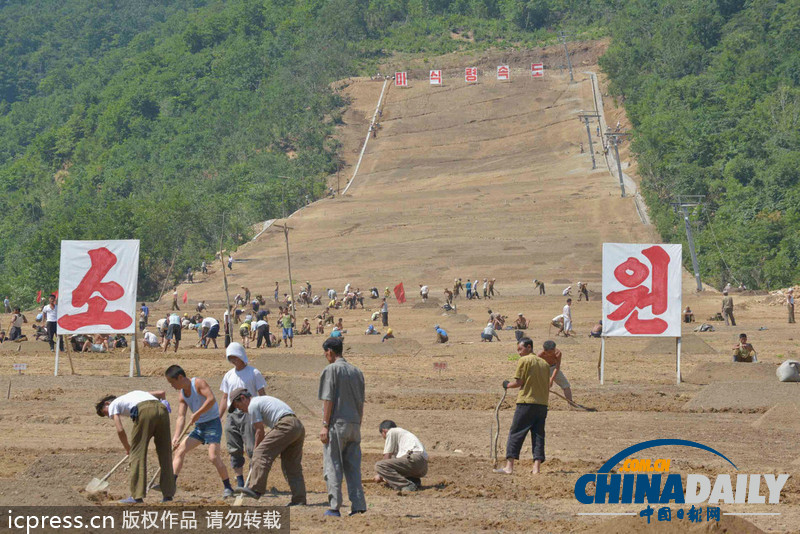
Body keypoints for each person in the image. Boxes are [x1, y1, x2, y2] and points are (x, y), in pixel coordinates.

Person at [164, 365, 233, 498]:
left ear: (180, 377)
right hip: (199, 427)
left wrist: (197, 413)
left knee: (213, 457)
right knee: (179, 451)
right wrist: (176, 437)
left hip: (213, 424)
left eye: (172, 382)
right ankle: (170, 487)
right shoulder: (182, 394)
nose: (172, 386)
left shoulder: (198, 383)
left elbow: (211, 399)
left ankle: (228, 487)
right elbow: (181, 416)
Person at [95, 390, 175, 503]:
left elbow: (120, 430)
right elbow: (161, 392)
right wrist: (163, 403)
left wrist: (128, 448)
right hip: (162, 410)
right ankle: (168, 495)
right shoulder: (135, 394)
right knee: (165, 453)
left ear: (107, 403)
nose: (109, 416)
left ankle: (136, 496)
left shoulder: (114, 404)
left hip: (144, 411)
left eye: (106, 412)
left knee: (137, 455)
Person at [229, 389, 307, 505]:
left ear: (243, 398)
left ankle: (256, 488)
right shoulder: (261, 401)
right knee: (291, 464)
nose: (239, 409)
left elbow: (259, 431)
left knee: (260, 453)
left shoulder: (252, 405)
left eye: (237, 405)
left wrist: (256, 452)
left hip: (286, 424)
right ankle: (299, 499)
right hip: (297, 426)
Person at [318, 337, 366, 517]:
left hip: (337, 424)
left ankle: (334, 506)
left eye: (325, 353)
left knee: (333, 465)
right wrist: (358, 422)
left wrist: (325, 425)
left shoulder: (331, 370)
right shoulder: (357, 371)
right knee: (353, 468)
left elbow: (328, 399)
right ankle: (359, 505)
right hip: (354, 424)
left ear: (330, 351)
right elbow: (361, 401)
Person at [494, 337, 550, 475]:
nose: (519, 352)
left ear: (529, 347)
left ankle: (509, 467)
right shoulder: (545, 363)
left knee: (516, 433)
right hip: (542, 404)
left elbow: (519, 383)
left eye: (521, 349)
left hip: (526, 402)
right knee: (538, 435)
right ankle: (536, 468)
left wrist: (506, 384)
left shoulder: (524, 360)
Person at [219, 342, 267, 489]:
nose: (233, 360)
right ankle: (240, 480)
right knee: (234, 448)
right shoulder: (228, 375)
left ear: (241, 356)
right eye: (230, 358)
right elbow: (224, 397)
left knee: (253, 448)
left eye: (235, 357)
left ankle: (254, 481)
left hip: (249, 413)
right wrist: (218, 417)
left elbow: (262, 395)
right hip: (232, 413)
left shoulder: (254, 373)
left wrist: (262, 415)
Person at [373, 420, 427, 492]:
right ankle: (414, 481)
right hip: (422, 466)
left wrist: (380, 475)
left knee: (380, 465)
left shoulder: (391, 432)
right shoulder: (402, 436)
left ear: (384, 431)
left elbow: (387, 457)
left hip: (413, 459)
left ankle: (407, 485)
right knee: (395, 466)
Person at [537, 340, 573, 404]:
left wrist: (552, 379)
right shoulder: (540, 355)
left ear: (554, 349)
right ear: (544, 350)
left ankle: (571, 403)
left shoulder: (558, 353)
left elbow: (557, 367)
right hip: (543, 368)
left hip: (554, 368)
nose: (550, 354)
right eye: (548, 352)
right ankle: (541, 403)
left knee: (566, 385)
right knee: (542, 387)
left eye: (552, 352)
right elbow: (537, 367)